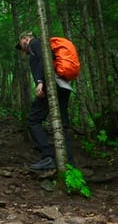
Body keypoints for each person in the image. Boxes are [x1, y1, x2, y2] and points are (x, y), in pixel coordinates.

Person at [15, 31, 74, 170]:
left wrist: (40, 82)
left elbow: (44, 60)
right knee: (63, 124)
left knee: (33, 120)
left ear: (26, 38)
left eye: (21, 44)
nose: (22, 48)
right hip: (63, 85)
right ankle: (69, 162)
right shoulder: (45, 45)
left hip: (51, 85)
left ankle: (49, 157)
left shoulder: (35, 43)